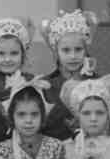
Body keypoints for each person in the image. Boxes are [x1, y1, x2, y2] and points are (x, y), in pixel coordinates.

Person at [0, 17, 36, 147]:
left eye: (14, 53)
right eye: (1, 54)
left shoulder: (31, 80)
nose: (7, 59)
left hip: (26, 139)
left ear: (23, 55)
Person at [40, 10, 99, 140]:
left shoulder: (97, 83)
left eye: (78, 49)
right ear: (56, 52)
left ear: (86, 50)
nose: (73, 56)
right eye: (66, 50)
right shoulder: (45, 85)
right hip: (55, 150)